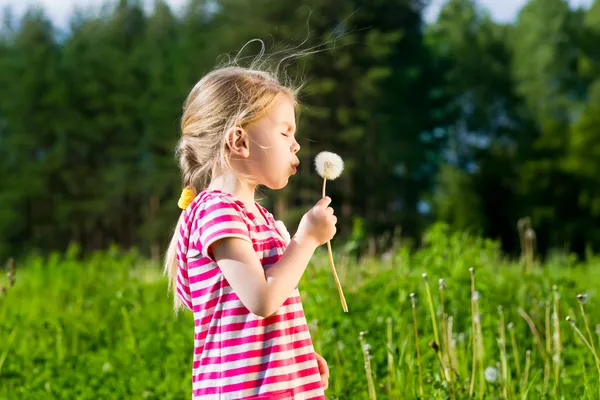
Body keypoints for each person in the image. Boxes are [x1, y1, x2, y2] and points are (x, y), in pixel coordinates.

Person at [163, 64, 337, 399]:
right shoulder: (218, 212)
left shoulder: (259, 218)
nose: (296, 145)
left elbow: (254, 318)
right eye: (285, 133)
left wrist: (294, 356)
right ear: (239, 141)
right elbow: (261, 299)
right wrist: (307, 239)